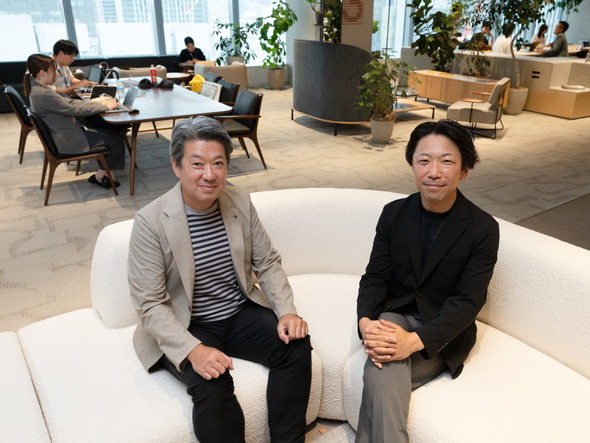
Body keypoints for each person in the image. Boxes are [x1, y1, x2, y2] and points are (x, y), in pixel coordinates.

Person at [127, 116, 312, 443]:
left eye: (218, 163)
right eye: (197, 164)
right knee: (212, 385)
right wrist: (193, 350)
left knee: (295, 345)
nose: (209, 174)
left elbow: (267, 262)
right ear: (176, 166)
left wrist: (286, 311)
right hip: (188, 324)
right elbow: (150, 305)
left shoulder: (239, 201)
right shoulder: (150, 222)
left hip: (238, 312)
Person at [355, 119, 500, 443]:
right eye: (424, 160)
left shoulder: (483, 229)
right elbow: (375, 277)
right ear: (412, 165)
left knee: (381, 368)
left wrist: (415, 341)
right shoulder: (393, 214)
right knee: (385, 356)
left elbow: (468, 302)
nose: (434, 171)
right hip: (395, 315)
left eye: (446, 161)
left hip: (442, 330)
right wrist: (365, 322)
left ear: (464, 170)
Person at [25, 54, 126, 187]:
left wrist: (97, 102)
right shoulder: (44, 94)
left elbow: (70, 103)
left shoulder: (39, 89)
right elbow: (74, 110)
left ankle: (106, 175)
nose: (55, 74)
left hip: (65, 133)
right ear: (42, 73)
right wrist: (105, 106)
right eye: (53, 71)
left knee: (112, 134)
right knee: (117, 141)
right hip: (68, 139)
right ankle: (101, 175)